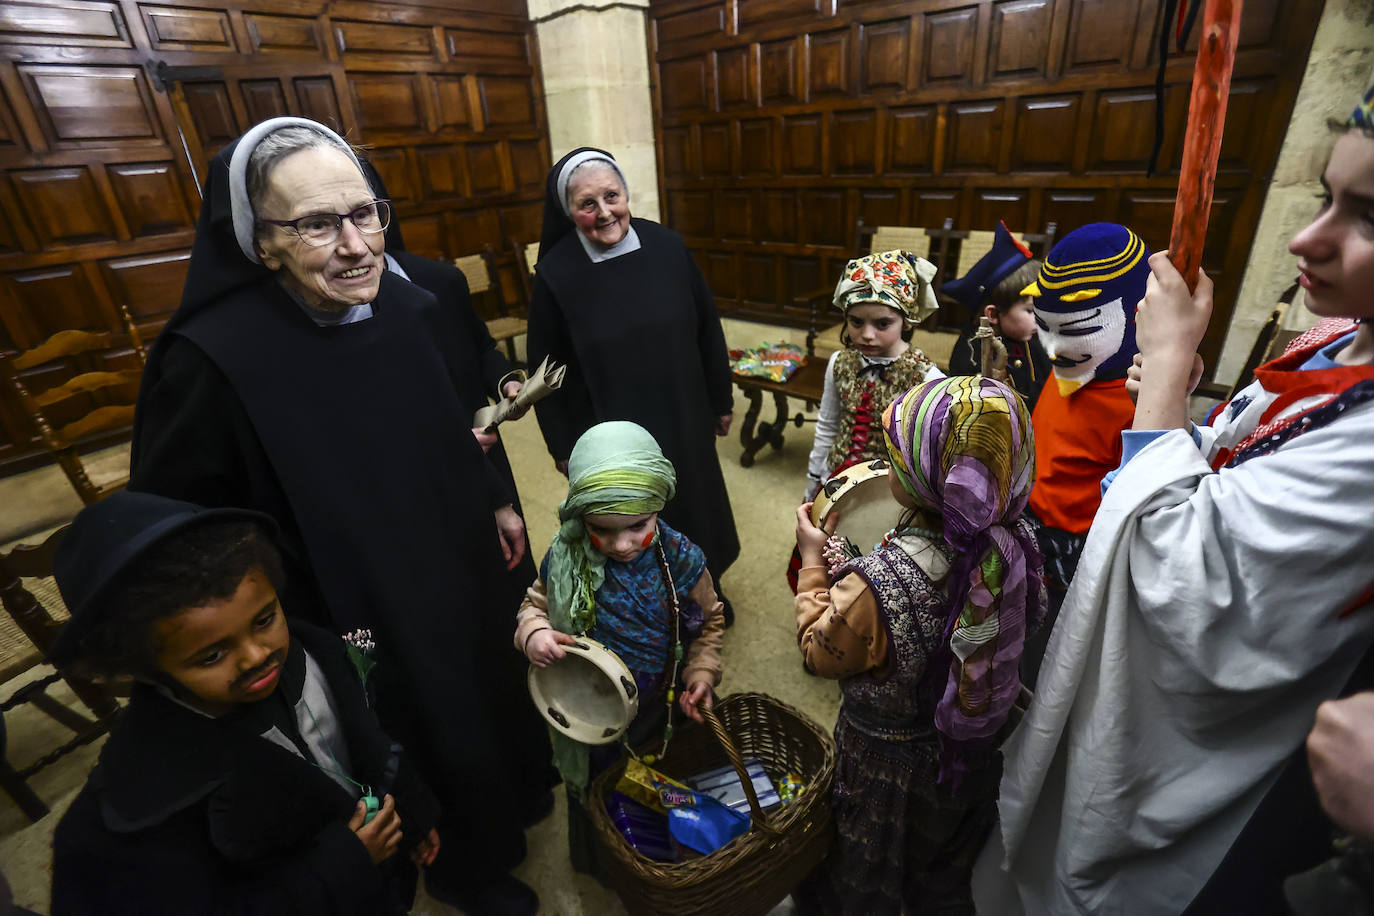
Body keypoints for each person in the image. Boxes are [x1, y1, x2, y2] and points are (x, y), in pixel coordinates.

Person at [127, 117, 552, 915]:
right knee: (418, 718)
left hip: (453, 550)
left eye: (365, 213)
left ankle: (520, 794)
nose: (358, 245)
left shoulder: (407, 304)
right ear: (261, 242)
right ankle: (467, 865)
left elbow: (450, 418)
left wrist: (493, 497)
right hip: (349, 601)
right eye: (318, 224)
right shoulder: (207, 360)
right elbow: (180, 534)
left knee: (486, 680)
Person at [973, 85, 1374, 915]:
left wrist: (1157, 385)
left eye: (1367, 218)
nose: (1308, 238)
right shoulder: (1337, 336)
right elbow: (1219, 460)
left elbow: (1177, 569)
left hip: (1179, 719)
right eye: (1324, 199)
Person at [47, 491, 440, 915]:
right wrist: (342, 865)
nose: (257, 656)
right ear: (142, 667)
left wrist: (414, 813)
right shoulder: (141, 808)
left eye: (265, 619)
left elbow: (372, 736)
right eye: (211, 655)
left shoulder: (316, 651)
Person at [793, 375, 1044, 916]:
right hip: (965, 763)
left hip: (884, 769)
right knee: (940, 874)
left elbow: (818, 653)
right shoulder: (1016, 540)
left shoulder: (871, 588)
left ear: (930, 480)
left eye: (896, 457)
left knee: (865, 874)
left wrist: (814, 567)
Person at [525, 147, 740, 623]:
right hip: (608, 428)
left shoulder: (666, 245)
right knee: (629, 526)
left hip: (684, 412)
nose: (604, 213)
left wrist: (719, 398)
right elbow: (543, 368)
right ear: (568, 211)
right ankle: (651, 614)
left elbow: (707, 325)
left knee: (696, 507)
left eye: (612, 196)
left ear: (625, 193)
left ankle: (706, 593)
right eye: (587, 204)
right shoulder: (557, 274)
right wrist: (563, 444)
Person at [513, 420, 726, 879]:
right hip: (593, 708)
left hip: (659, 702)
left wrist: (701, 671)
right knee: (602, 789)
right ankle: (608, 861)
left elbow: (710, 621)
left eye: (638, 526)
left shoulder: (683, 558)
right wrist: (535, 633)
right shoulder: (566, 556)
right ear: (580, 518)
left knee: (662, 781)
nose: (622, 544)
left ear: (657, 508)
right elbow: (535, 605)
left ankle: (659, 859)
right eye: (602, 531)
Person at [1015, 222, 1148, 686]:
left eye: (1077, 332)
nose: (1053, 348)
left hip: (1075, 547)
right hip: (1027, 519)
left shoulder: (1136, 403)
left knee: (1052, 650)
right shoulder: (1069, 368)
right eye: (1045, 329)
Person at [802, 248, 943, 503]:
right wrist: (814, 478)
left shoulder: (927, 377)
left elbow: (931, 451)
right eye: (856, 322)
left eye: (882, 324)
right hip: (836, 479)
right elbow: (827, 424)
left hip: (889, 493)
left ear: (907, 320)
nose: (867, 334)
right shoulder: (839, 362)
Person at [944, 221, 1050, 410]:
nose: (1041, 318)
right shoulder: (972, 353)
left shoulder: (1033, 341)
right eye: (1030, 311)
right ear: (993, 314)